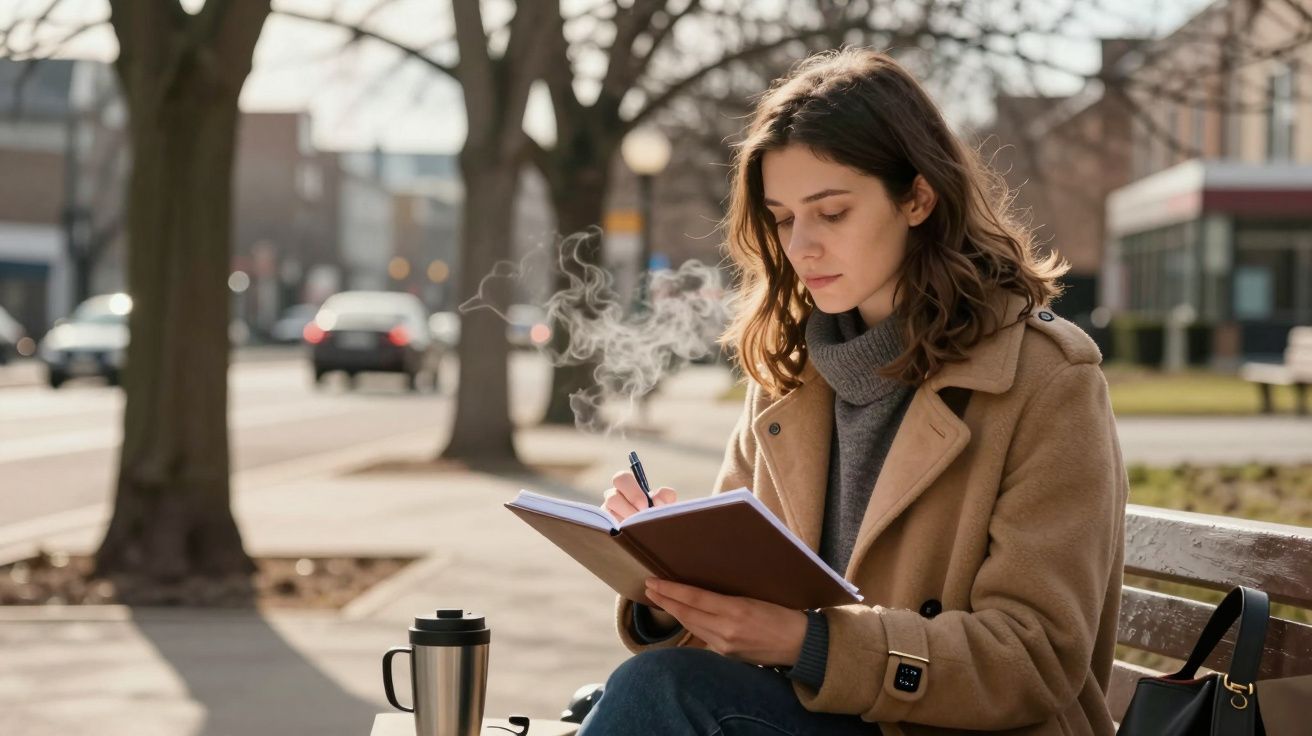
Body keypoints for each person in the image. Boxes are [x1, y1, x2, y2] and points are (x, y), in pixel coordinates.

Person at [578, 47, 1127, 736]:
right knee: (642, 690)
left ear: (918, 198)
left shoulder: (1046, 382)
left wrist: (808, 643)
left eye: (831, 212)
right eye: (782, 218)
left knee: (656, 694)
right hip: (817, 718)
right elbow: (739, 633)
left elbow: (1033, 659)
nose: (801, 246)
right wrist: (669, 587)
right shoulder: (787, 375)